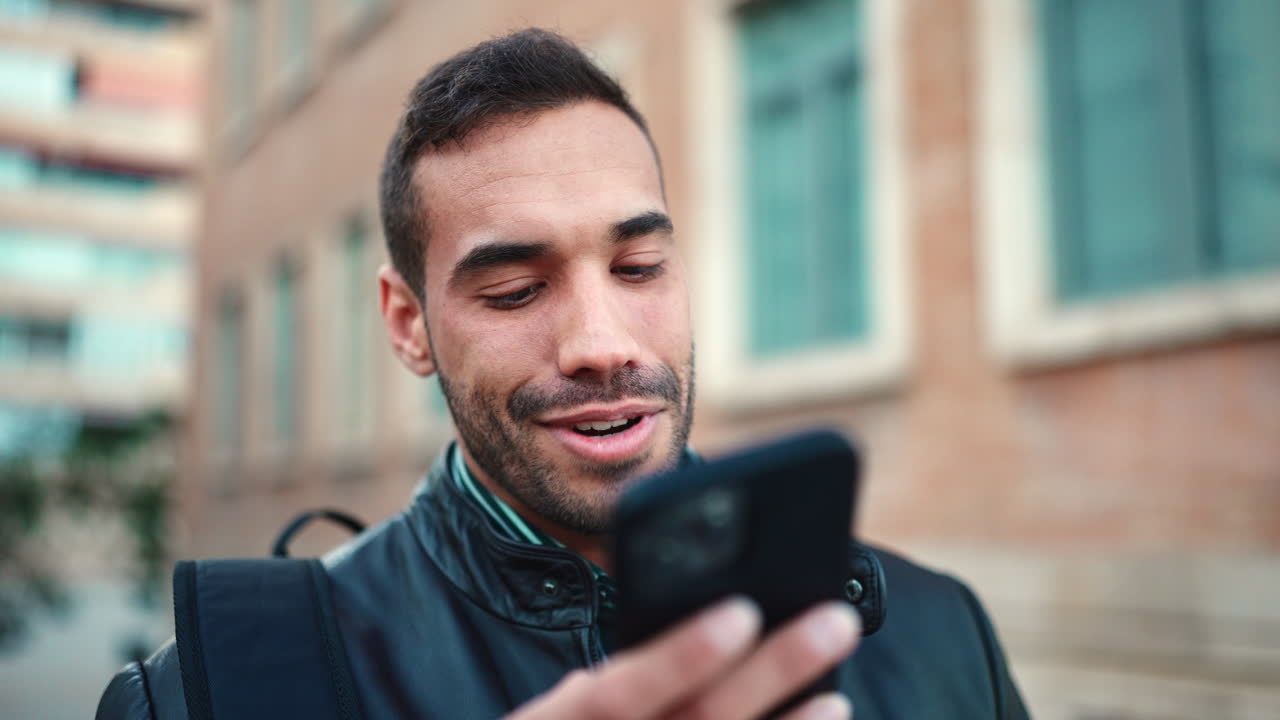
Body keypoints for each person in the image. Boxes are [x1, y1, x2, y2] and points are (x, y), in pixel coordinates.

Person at [98, 29, 1029, 720]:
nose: (602, 342)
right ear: (407, 323)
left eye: (638, 269)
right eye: (513, 290)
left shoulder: (939, 632)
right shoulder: (212, 693)